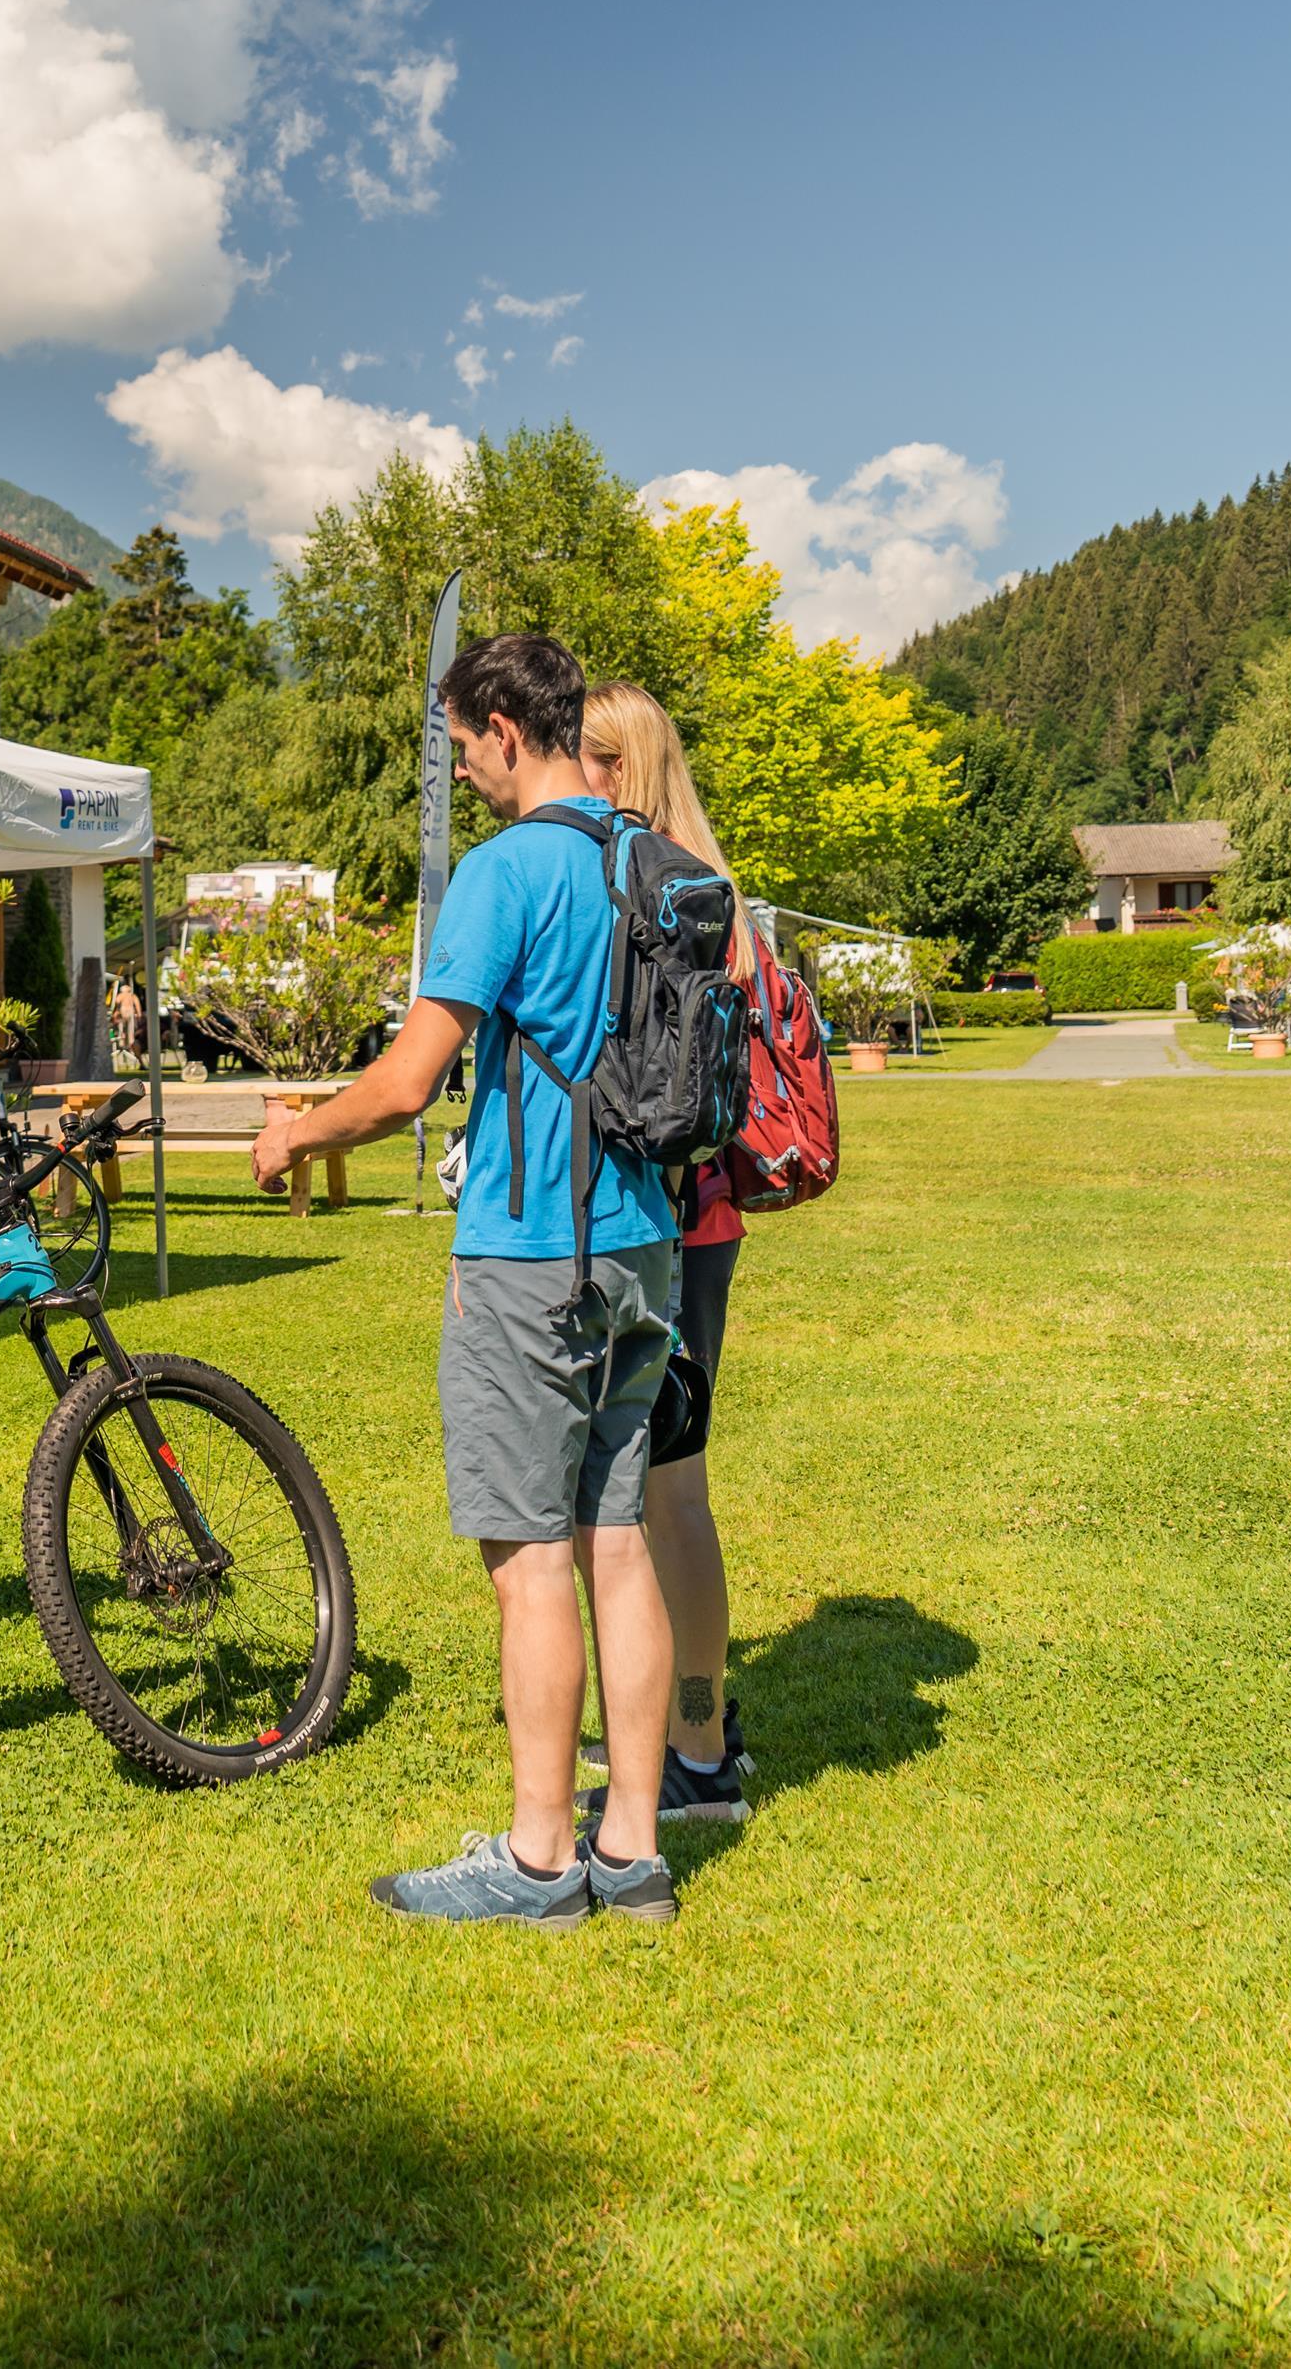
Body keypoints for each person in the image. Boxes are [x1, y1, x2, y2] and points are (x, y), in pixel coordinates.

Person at [257, 632, 683, 1927]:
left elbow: (406, 1084)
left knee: (530, 1557)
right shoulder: (644, 854)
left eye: (459, 745)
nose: (460, 770)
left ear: (504, 728)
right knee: (618, 1541)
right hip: (643, 1242)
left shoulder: (507, 871)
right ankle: (633, 1849)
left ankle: (540, 1860)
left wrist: (297, 1134)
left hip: (530, 1251)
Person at [575, 681, 755, 1827]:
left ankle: (697, 1754)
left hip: (662, 1220)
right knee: (659, 1490)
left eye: (582, 756)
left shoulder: (648, 890)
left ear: (618, 767)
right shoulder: (707, 887)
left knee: (662, 1494)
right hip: (702, 1219)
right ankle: (692, 1723)